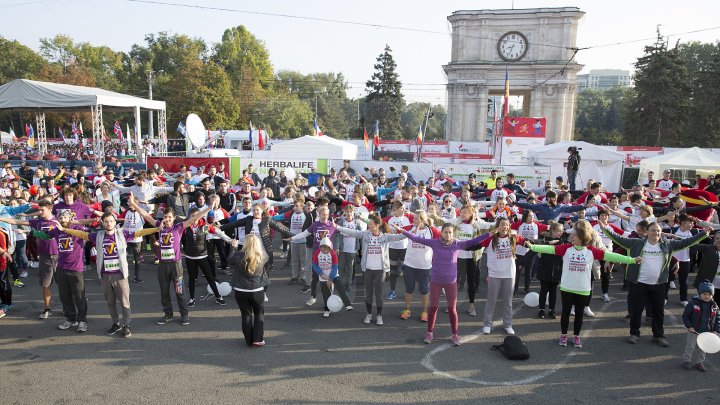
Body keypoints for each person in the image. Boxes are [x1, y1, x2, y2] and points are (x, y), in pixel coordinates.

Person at [528, 220, 640, 348]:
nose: (571, 236)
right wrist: (532, 247)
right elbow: (548, 248)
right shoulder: (566, 248)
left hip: (583, 289)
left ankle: (576, 336)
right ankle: (563, 335)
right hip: (567, 287)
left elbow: (611, 256)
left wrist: (631, 260)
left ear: (581, 237)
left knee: (579, 315)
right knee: (565, 313)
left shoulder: (592, 250)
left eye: (574, 235)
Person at [603, 222, 709, 347]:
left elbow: (687, 242)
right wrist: (604, 228)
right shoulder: (636, 243)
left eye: (658, 231)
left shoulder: (667, 245)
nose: (656, 233)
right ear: (647, 232)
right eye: (653, 230)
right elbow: (617, 239)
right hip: (638, 283)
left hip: (658, 284)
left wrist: (704, 233)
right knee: (636, 310)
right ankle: (634, 333)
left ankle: (658, 335)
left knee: (658, 311)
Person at [57, 212, 159, 338]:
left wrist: (157, 229)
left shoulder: (122, 234)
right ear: (102, 223)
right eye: (106, 221)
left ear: (115, 222)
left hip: (120, 275)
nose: (109, 223)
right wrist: (64, 229)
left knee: (124, 302)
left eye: (111, 221)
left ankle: (126, 325)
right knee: (110, 303)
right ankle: (115, 323)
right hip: (105, 275)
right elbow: (82, 234)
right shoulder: (98, 235)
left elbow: (139, 233)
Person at [393, 222, 491, 346]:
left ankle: (455, 334)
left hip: (451, 282)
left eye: (450, 232)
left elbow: (475, 240)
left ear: (453, 233)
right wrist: (402, 230)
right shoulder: (434, 243)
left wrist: (490, 233)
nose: (448, 234)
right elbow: (415, 238)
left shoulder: (457, 244)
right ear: (442, 233)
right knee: (433, 307)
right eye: (445, 232)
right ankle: (429, 333)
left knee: (452, 309)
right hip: (436, 281)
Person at [130, 195, 212, 326]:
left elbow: (194, 218)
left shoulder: (178, 228)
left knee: (179, 291)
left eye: (169, 217)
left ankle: (184, 314)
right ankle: (168, 314)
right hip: (163, 265)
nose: (167, 219)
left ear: (174, 218)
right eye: (165, 217)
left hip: (176, 265)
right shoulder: (159, 226)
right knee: (164, 292)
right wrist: (134, 205)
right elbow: (146, 215)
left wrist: (209, 208)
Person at [335, 215, 406, 326]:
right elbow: (352, 232)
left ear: (377, 225)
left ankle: (379, 315)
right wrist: (338, 227)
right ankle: (368, 314)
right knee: (368, 294)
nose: (369, 226)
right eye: (369, 224)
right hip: (367, 270)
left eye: (371, 224)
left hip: (380, 271)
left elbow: (400, 237)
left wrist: (410, 232)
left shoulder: (385, 236)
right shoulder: (366, 234)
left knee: (378, 294)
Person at [0, 199, 57, 319]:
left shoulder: (58, 221)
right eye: (39, 210)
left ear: (50, 209)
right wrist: (1, 219)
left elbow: (47, 235)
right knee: (45, 285)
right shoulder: (38, 222)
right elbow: (14, 220)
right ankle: (47, 308)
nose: (40, 212)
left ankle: (69, 310)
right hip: (45, 257)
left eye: (42, 210)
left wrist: (28, 232)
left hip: (60, 256)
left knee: (64, 285)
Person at [398, 210, 440, 322]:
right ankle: (407, 310)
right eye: (414, 218)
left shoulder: (432, 231)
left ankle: (425, 312)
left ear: (422, 219)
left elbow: (442, 239)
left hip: (424, 266)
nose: (414, 220)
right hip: (409, 264)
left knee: (424, 289)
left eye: (416, 218)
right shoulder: (410, 228)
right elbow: (398, 230)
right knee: (409, 288)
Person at [229, 234, 267, 347]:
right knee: (259, 313)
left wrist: (233, 247)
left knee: (246, 314)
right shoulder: (263, 255)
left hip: (240, 290)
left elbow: (229, 260)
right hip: (257, 289)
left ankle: (248, 340)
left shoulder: (237, 255)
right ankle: (258, 339)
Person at [680, 281, 720, 372]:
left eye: (709, 294)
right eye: (704, 294)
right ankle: (686, 360)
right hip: (694, 330)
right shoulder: (693, 303)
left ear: (712, 295)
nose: (707, 296)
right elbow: (685, 316)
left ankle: (699, 362)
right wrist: (689, 326)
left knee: (703, 348)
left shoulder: (714, 306)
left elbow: (718, 318)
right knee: (690, 346)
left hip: (707, 331)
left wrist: (716, 330)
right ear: (699, 293)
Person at [312, 237, 353, 317]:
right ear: (320, 247)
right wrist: (321, 274)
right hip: (323, 276)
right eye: (323, 248)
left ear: (330, 248)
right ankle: (327, 309)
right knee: (326, 293)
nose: (324, 250)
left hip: (333, 275)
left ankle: (347, 305)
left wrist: (331, 279)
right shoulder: (317, 253)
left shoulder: (333, 253)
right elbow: (314, 265)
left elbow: (335, 266)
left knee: (341, 289)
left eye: (327, 248)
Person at [536, 222, 567, 319]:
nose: (560, 233)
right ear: (553, 231)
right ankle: (541, 309)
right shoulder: (545, 240)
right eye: (559, 231)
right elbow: (539, 253)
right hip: (545, 269)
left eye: (561, 231)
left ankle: (551, 310)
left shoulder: (562, 241)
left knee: (553, 292)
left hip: (556, 270)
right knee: (543, 291)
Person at [693, 232, 720, 306]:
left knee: (717, 311)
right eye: (717, 238)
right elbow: (691, 244)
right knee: (705, 308)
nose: (718, 240)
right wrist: (702, 237)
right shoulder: (708, 248)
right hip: (707, 287)